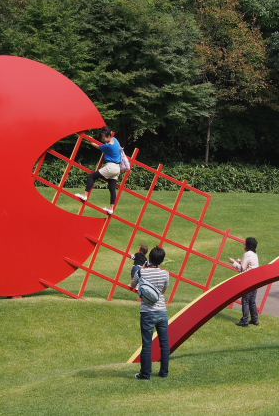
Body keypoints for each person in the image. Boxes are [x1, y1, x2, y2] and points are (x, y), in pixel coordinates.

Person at [130, 246, 170, 379]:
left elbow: (132, 284)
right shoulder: (165, 273)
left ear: (150, 258)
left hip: (147, 312)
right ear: (161, 260)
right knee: (164, 343)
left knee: (147, 344)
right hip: (161, 310)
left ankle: (145, 374)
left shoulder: (142, 272)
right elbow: (163, 291)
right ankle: (164, 372)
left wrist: (142, 270)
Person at [75, 126, 121, 215]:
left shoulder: (108, 146)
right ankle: (111, 208)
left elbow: (99, 147)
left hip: (110, 166)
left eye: (104, 139)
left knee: (92, 176)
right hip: (117, 168)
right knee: (112, 187)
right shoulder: (115, 140)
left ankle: (85, 195)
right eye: (102, 139)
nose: (103, 141)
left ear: (108, 136)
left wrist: (90, 140)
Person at [230, 237, 260, 327]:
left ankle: (245, 321)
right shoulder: (254, 254)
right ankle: (255, 319)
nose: (244, 245)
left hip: (248, 280)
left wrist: (234, 262)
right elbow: (249, 266)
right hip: (256, 280)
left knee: (245, 301)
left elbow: (242, 269)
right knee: (252, 301)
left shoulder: (247, 254)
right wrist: (241, 261)